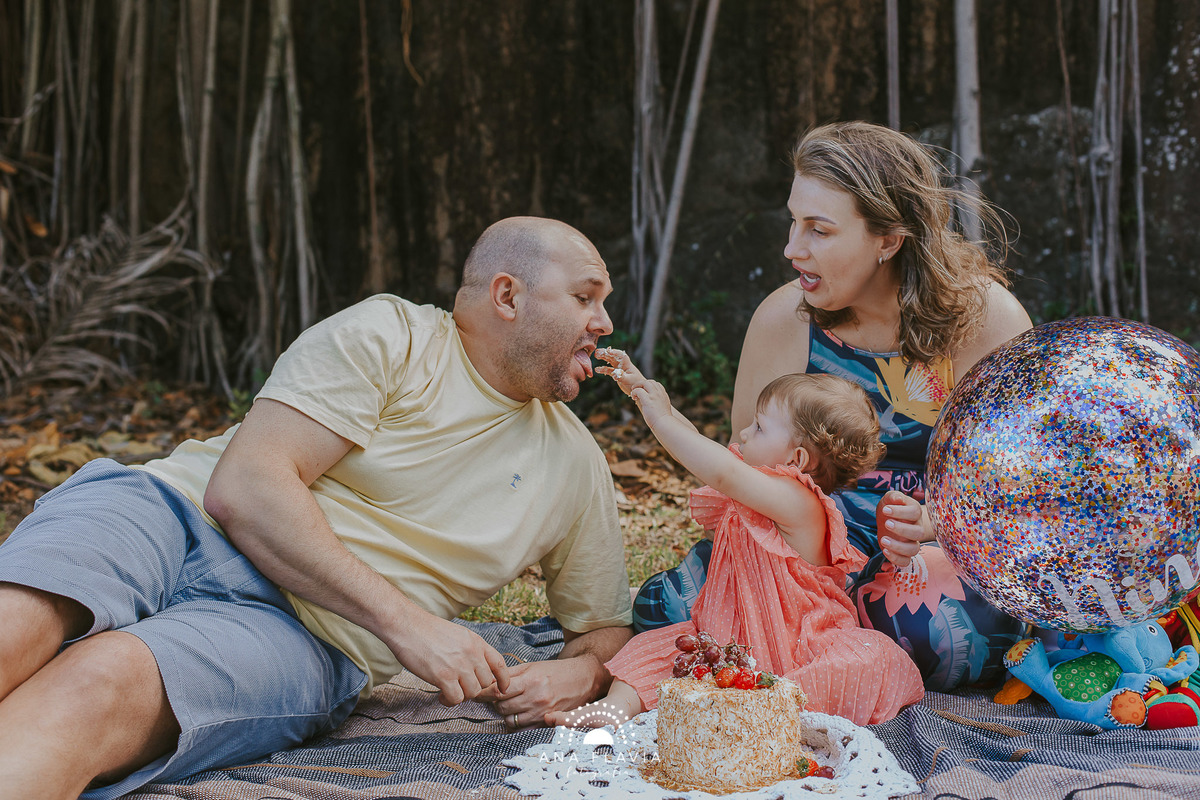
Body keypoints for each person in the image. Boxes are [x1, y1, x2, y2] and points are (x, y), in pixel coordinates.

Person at [0, 217, 634, 799]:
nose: (604, 322)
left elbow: (603, 629)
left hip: (304, 638)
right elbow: (246, 487)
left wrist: (578, 674)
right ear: (508, 296)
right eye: (585, 297)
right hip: (173, 513)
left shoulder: (575, 465)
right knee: (21, 620)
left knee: (97, 686)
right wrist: (414, 628)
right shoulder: (395, 335)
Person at [632, 121, 1033, 639]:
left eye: (819, 230)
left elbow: (1014, 482)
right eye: (794, 223)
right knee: (667, 608)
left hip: (928, 553)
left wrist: (937, 522)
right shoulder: (783, 321)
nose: (792, 249)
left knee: (938, 630)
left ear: (888, 239)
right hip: (800, 551)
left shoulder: (986, 320)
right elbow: (747, 465)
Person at [548, 348, 924, 727]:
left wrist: (659, 419)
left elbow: (722, 471)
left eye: (759, 427)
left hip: (793, 645)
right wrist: (647, 393)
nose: (744, 432)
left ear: (796, 460)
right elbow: (700, 445)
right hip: (729, 640)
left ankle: (764, 717)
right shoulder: (758, 486)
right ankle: (612, 713)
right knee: (650, 653)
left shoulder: (799, 501)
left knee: (842, 670)